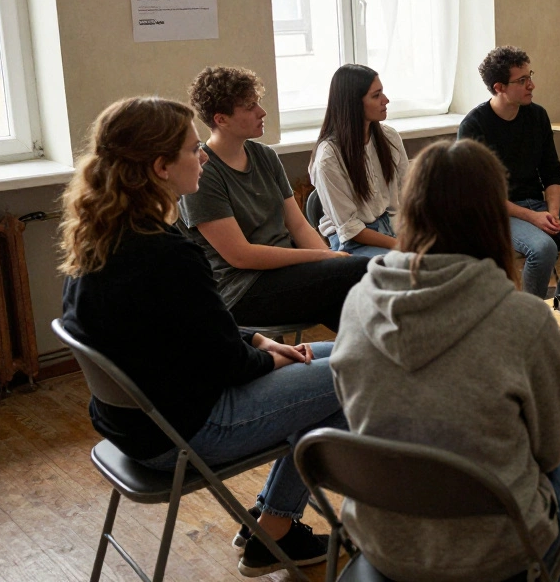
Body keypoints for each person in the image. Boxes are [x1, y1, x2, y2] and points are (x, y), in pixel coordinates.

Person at [58, 97, 346, 577]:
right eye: (194, 150)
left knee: (339, 358)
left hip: (136, 426)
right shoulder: (166, 254)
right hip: (185, 431)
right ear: (160, 167)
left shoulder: (98, 239)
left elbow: (197, 331)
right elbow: (224, 364)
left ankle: (272, 528)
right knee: (352, 366)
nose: (204, 157)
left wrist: (258, 342)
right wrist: (271, 359)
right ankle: (274, 529)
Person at [331, 139, 560, 582]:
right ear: (493, 216)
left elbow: (352, 410)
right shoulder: (524, 320)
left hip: (384, 541)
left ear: (409, 211)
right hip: (494, 555)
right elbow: (552, 446)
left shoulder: (358, 303)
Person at [177, 65, 369, 331]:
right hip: (242, 291)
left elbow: (299, 225)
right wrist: (322, 259)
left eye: (258, 103)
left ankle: (384, 363)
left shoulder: (265, 156)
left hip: (288, 274)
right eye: (249, 107)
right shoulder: (205, 172)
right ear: (221, 119)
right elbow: (241, 257)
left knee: (360, 304)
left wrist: (328, 257)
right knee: (361, 276)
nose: (262, 112)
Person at [457, 47, 560, 332]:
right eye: (522, 80)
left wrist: (551, 212)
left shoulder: (537, 116)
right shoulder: (474, 125)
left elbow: (552, 171)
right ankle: (528, 327)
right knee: (542, 248)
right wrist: (532, 217)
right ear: (499, 87)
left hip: (537, 206)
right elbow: (482, 195)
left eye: (530, 76)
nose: (531, 85)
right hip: (496, 211)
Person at [309, 64, 409, 257]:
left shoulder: (389, 137)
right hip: (354, 241)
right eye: (376, 95)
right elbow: (352, 230)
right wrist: (401, 245)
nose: (386, 100)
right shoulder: (328, 158)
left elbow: (406, 194)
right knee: (408, 268)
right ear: (353, 103)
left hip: (391, 227)